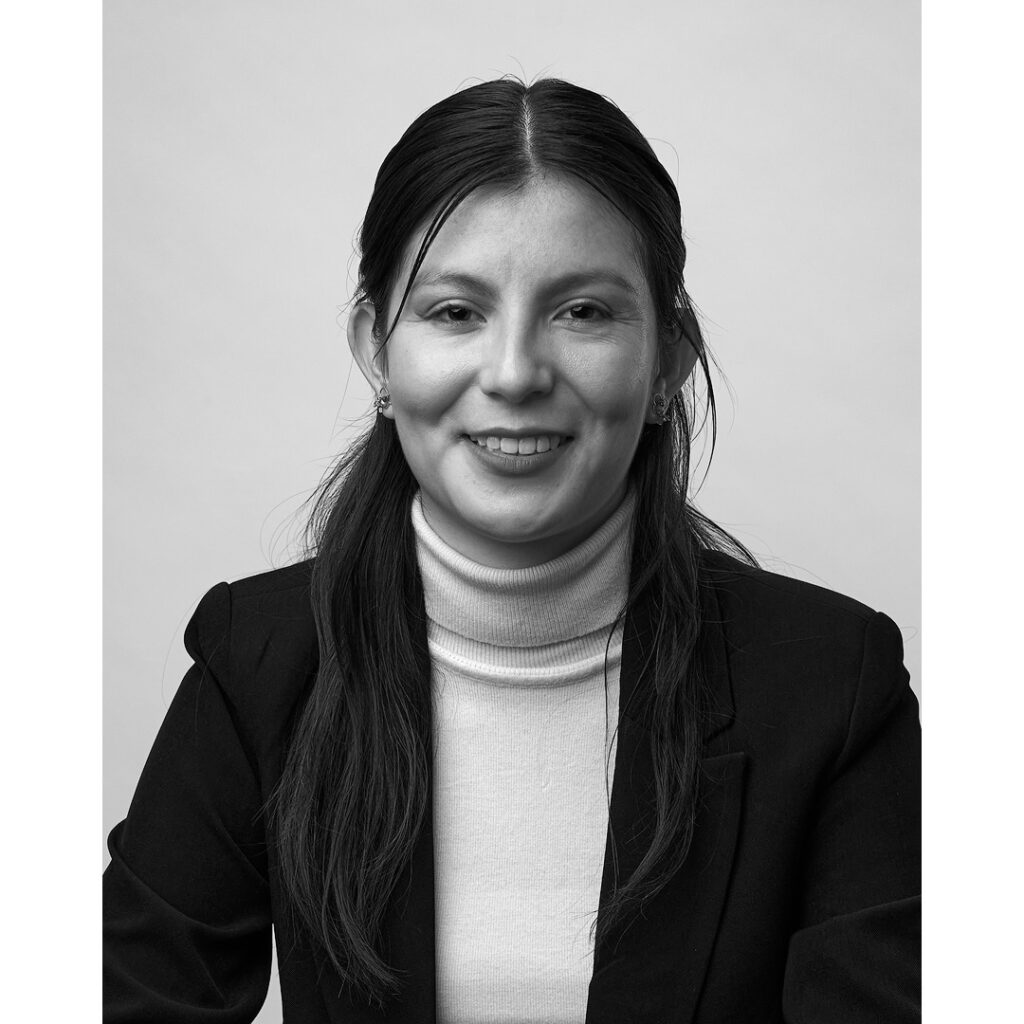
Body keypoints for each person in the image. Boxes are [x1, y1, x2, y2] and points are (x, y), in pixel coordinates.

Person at [103, 77, 921, 1024]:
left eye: (584, 312)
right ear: (376, 349)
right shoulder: (258, 662)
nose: (515, 373)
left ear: (669, 356)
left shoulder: (834, 686)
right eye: (456, 312)